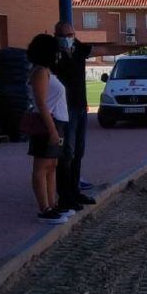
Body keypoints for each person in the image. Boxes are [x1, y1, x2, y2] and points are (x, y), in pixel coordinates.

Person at [26, 33, 70, 224]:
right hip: (47, 123)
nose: (58, 54)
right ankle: (44, 208)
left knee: (52, 166)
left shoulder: (47, 71)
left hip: (58, 122)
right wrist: (51, 130)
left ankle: (52, 205)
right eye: (56, 51)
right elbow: (41, 103)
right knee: (42, 166)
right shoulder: (40, 72)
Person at [53, 21, 96, 212]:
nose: (68, 38)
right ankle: (65, 196)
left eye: (71, 35)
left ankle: (75, 190)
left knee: (78, 152)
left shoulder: (78, 50)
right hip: (65, 109)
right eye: (64, 35)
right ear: (56, 35)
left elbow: (99, 48)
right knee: (66, 154)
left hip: (80, 107)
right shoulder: (54, 55)